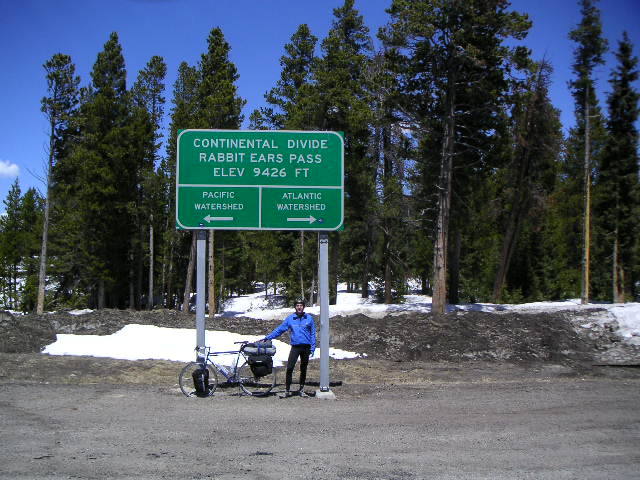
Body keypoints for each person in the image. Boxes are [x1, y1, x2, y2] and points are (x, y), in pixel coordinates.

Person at [263, 298, 316, 398]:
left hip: (306, 347)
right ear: (295, 307)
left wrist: (313, 348)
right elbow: (280, 330)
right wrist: (268, 337)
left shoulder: (309, 318)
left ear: (303, 307)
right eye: (297, 305)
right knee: (290, 367)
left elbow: (313, 333)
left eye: (301, 305)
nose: (299, 307)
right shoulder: (290, 318)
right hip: (295, 347)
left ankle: (301, 389)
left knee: (303, 369)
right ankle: (287, 390)